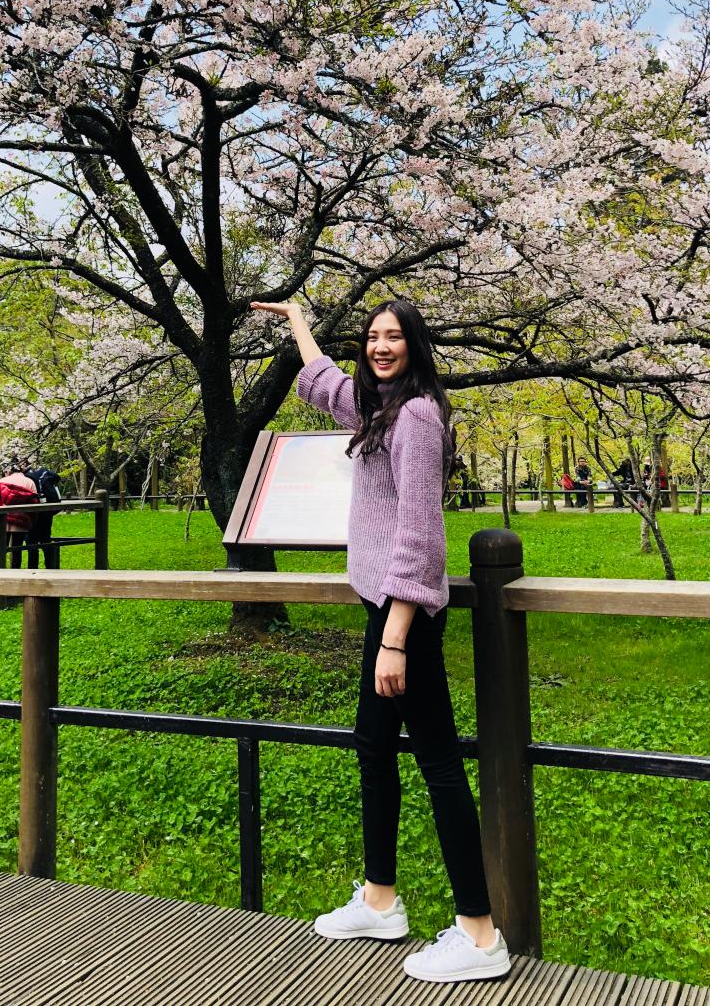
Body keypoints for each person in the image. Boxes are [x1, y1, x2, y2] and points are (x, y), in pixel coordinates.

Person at [250, 295, 509, 984]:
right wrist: (298, 320)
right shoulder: (377, 409)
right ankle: (379, 900)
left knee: (439, 764)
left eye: (394, 336)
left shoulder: (416, 416)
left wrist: (394, 638)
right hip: (383, 611)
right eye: (372, 336)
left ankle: (480, 934)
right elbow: (325, 383)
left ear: (415, 346)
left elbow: (420, 535)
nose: (380, 346)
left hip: (405, 619)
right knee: (373, 748)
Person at [0, 463, 39, 567]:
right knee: (17, 548)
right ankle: (15, 569)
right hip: (21, 519)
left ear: (10, 471)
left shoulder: (3, 481)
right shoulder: (29, 482)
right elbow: (34, 503)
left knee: (0, 547)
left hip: (3, 518)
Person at [22, 456, 63, 569]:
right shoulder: (45, 472)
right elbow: (57, 478)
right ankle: (50, 567)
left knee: (31, 542)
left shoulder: (26, 477)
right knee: (46, 539)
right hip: (47, 510)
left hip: (33, 513)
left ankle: (32, 569)